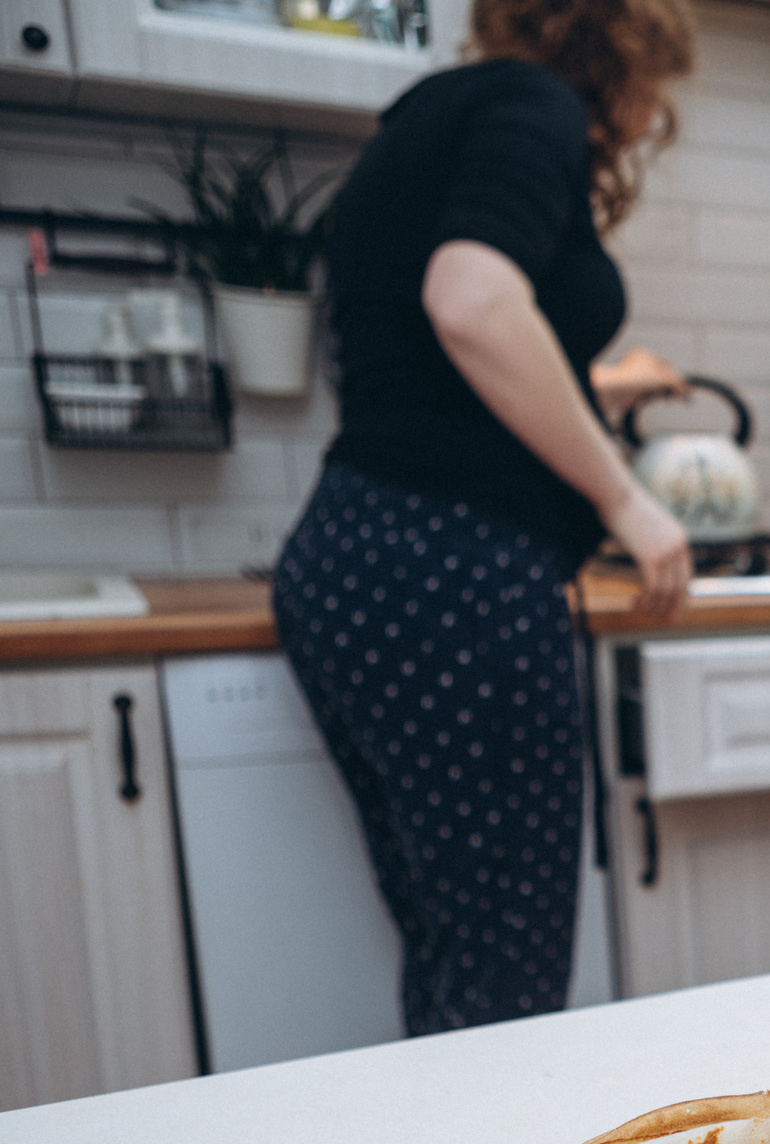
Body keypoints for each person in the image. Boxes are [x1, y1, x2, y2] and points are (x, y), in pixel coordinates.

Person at [272, 0, 698, 1035]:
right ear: (622, 51)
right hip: (450, 570)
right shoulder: (531, 103)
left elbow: (430, 373)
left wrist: (602, 389)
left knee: (456, 952)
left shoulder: (429, 118)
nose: (649, 112)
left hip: (363, 554)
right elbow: (469, 300)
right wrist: (627, 499)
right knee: (506, 971)